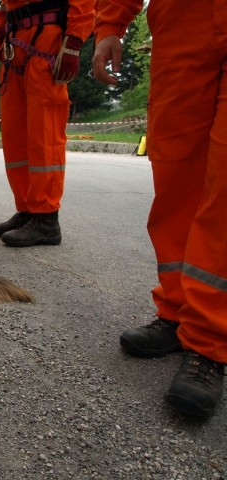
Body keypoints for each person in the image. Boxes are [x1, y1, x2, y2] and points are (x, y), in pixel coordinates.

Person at [92, 0, 227, 419]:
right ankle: (177, 309)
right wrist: (110, 23)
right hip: (183, 23)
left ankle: (209, 338)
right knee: (175, 177)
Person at [0, 0, 94, 247]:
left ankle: (46, 218)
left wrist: (72, 44)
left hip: (46, 44)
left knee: (44, 136)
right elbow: (4, 9)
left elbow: (83, 3)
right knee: (16, 140)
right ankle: (28, 210)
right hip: (14, 46)